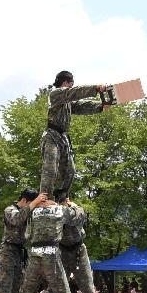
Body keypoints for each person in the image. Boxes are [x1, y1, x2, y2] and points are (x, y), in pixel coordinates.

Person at [41, 71, 109, 202]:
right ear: (66, 82)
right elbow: (75, 93)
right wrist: (95, 88)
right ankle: (45, 199)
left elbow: (81, 106)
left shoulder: (67, 103)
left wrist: (100, 106)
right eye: (71, 84)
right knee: (50, 169)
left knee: (70, 170)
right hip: (51, 137)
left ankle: (61, 197)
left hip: (62, 138)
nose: (72, 87)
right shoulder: (56, 94)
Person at [17, 199, 82, 293]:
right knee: (63, 292)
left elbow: (21, 221)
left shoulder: (33, 210)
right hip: (51, 254)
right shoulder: (60, 210)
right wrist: (73, 205)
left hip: (35, 253)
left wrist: (36, 203)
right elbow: (78, 216)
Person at [0, 189, 47, 293]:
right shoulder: (10, 210)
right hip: (7, 251)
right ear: (24, 200)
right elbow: (16, 220)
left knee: (16, 287)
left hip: (19, 253)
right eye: (32, 203)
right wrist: (35, 202)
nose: (33, 207)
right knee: (2, 285)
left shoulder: (28, 213)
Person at [60, 198, 96, 293]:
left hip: (78, 249)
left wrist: (73, 207)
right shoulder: (55, 210)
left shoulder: (75, 209)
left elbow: (77, 218)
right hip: (62, 251)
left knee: (88, 287)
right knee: (58, 287)